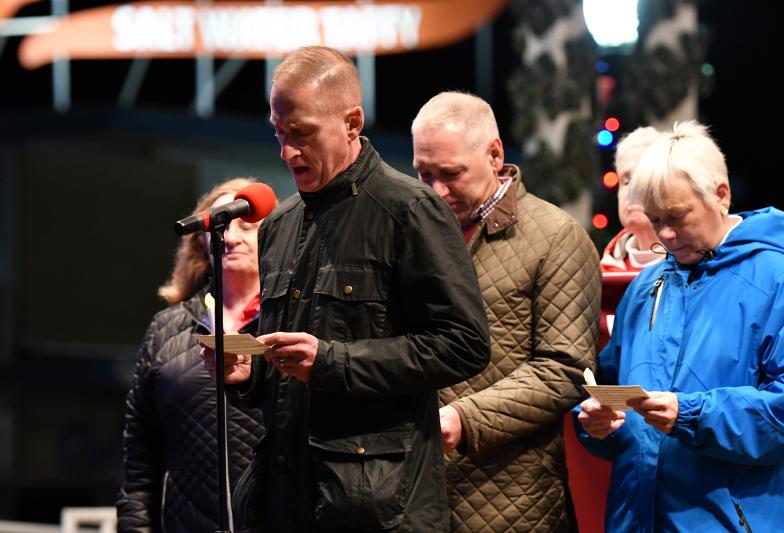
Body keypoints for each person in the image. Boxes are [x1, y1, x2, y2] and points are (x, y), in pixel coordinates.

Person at [203, 47, 490, 532]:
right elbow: (286, 367)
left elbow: (465, 345)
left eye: (303, 134)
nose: (286, 151)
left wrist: (334, 362)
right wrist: (245, 372)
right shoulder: (281, 223)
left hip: (377, 511)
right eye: (279, 133)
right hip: (284, 502)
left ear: (352, 121)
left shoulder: (410, 210)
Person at [575, 121, 784, 531]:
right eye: (655, 219)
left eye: (677, 216)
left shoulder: (781, 282)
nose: (665, 234)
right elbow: (609, 384)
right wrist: (593, 421)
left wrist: (692, 415)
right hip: (633, 517)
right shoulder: (646, 285)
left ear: (721, 195)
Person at [411, 91, 601, 532]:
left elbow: (565, 368)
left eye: (451, 173)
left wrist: (464, 418)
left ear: (494, 154)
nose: (436, 190)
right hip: (412, 498)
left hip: (515, 506)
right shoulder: (407, 233)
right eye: (424, 173)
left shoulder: (558, 238)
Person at [117, 178, 266, 532]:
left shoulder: (296, 324)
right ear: (201, 239)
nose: (231, 237)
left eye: (247, 226)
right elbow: (140, 463)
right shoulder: (166, 329)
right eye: (220, 225)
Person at [600, 126, 664, 273]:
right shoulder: (602, 273)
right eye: (626, 180)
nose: (632, 190)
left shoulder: (695, 265)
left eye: (642, 177)